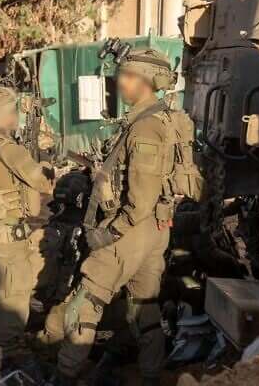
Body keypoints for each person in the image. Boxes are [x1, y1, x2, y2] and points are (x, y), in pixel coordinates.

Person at [53, 49, 180, 386]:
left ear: (146, 81)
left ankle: (65, 374)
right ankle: (151, 375)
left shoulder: (146, 127)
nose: (119, 82)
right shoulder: (158, 118)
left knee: (85, 303)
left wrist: (109, 233)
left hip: (131, 230)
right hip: (154, 228)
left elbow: (139, 199)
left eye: (127, 76)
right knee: (144, 306)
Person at [0, 87, 54, 375]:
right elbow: (41, 183)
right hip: (7, 242)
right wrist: (45, 166)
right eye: (13, 111)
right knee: (13, 302)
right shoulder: (9, 149)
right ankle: (9, 360)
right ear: (2, 116)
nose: (16, 116)